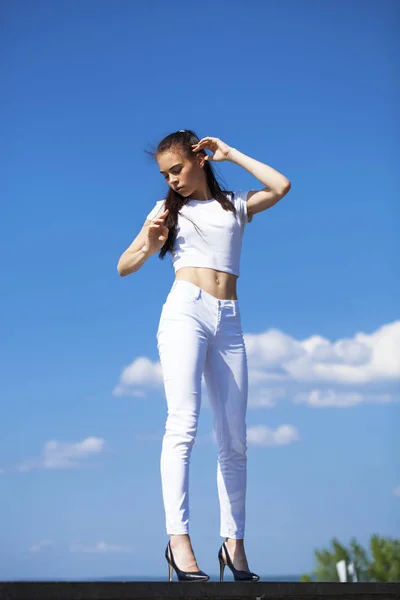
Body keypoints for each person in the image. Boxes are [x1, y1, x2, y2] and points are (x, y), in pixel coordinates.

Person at [117, 130, 291, 582]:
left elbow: (281, 186)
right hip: (185, 313)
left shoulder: (232, 204)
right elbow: (124, 265)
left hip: (228, 318)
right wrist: (151, 244)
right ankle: (179, 541)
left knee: (235, 440)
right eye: (164, 174)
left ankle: (234, 546)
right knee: (184, 425)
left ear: (199, 157)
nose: (171, 180)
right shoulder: (165, 212)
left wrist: (230, 154)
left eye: (176, 168)